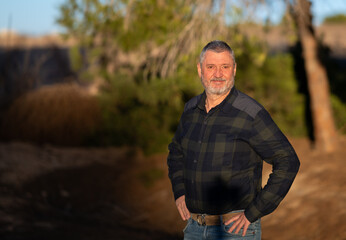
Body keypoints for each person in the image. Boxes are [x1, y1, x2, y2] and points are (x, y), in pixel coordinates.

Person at [167, 40, 300, 240]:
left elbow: (288, 160)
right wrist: (179, 191)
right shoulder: (190, 110)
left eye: (225, 67)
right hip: (194, 228)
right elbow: (176, 153)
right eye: (211, 67)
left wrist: (253, 212)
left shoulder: (250, 114)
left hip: (236, 231)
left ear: (234, 70)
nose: (218, 74)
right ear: (200, 70)